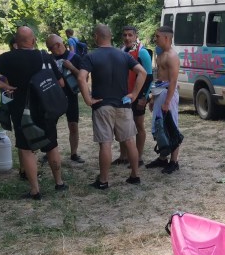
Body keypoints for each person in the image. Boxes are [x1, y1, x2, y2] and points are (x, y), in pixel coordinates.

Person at [0, 26, 67, 200]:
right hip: (46, 108)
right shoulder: (45, 56)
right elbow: (61, 83)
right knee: (51, 145)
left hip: (22, 110)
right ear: (33, 40)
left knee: (26, 149)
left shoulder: (8, 58)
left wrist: (4, 86)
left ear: (16, 42)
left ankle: (35, 190)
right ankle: (59, 182)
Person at [74, 24, 146, 189]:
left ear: (96, 37)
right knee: (129, 141)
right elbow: (142, 72)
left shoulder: (91, 56)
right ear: (111, 37)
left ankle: (103, 181)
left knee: (105, 143)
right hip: (123, 104)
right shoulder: (123, 55)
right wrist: (134, 94)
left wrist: (88, 99)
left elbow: (81, 78)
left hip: (102, 105)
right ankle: (135, 175)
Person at [113, 26, 154, 166]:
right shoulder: (121, 51)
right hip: (124, 95)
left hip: (138, 96)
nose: (127, 38)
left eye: (130, 35)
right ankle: (123, 156)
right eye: (124, 35)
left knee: (138, 125)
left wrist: (144, 97)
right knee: (123, 126)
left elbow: (148, 76)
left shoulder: (142, 52)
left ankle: (139, 157)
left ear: (136, 36)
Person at [45, 33, 86, 164]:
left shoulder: (75, 58)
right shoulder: (48, 59)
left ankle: (74, 153)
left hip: (71, 96)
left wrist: (71, 67)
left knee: (73, 125)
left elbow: (84, 78)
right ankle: (50, 151)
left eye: (50, 47)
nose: (50, 51)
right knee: (50, 125)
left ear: (58, 45)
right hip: (53, 97)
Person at [148, 25, 182, 174]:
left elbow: (173, 81)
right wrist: (152, 98)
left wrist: (167, 102)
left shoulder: (172, 56)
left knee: (171, 126)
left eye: (158, 36)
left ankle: (174, 162)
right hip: (160, 92)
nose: (155, 39)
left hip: (168, 93)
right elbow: (158, 77)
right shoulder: (160, 53)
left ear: (166, 38)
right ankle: (163, 158)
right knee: (159, 126)